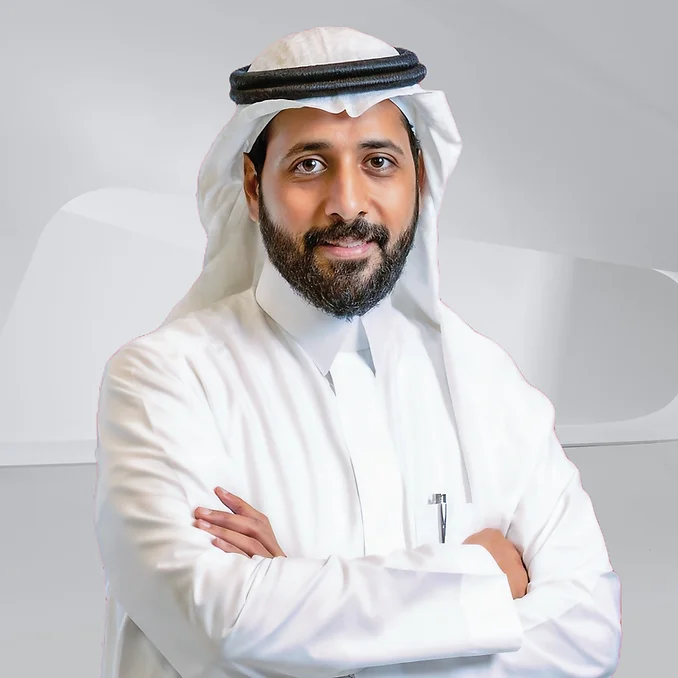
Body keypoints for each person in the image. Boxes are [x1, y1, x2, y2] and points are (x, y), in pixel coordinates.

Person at [94, 26, 622, 678]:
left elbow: (586, 633)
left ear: (417, 179)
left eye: (378, 162)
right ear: (254, 188)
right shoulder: (163, 381)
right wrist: (484, 577)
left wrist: (298, 601)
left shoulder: (487, 383)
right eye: (309, 165)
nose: (347, 203)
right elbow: (221, 623)